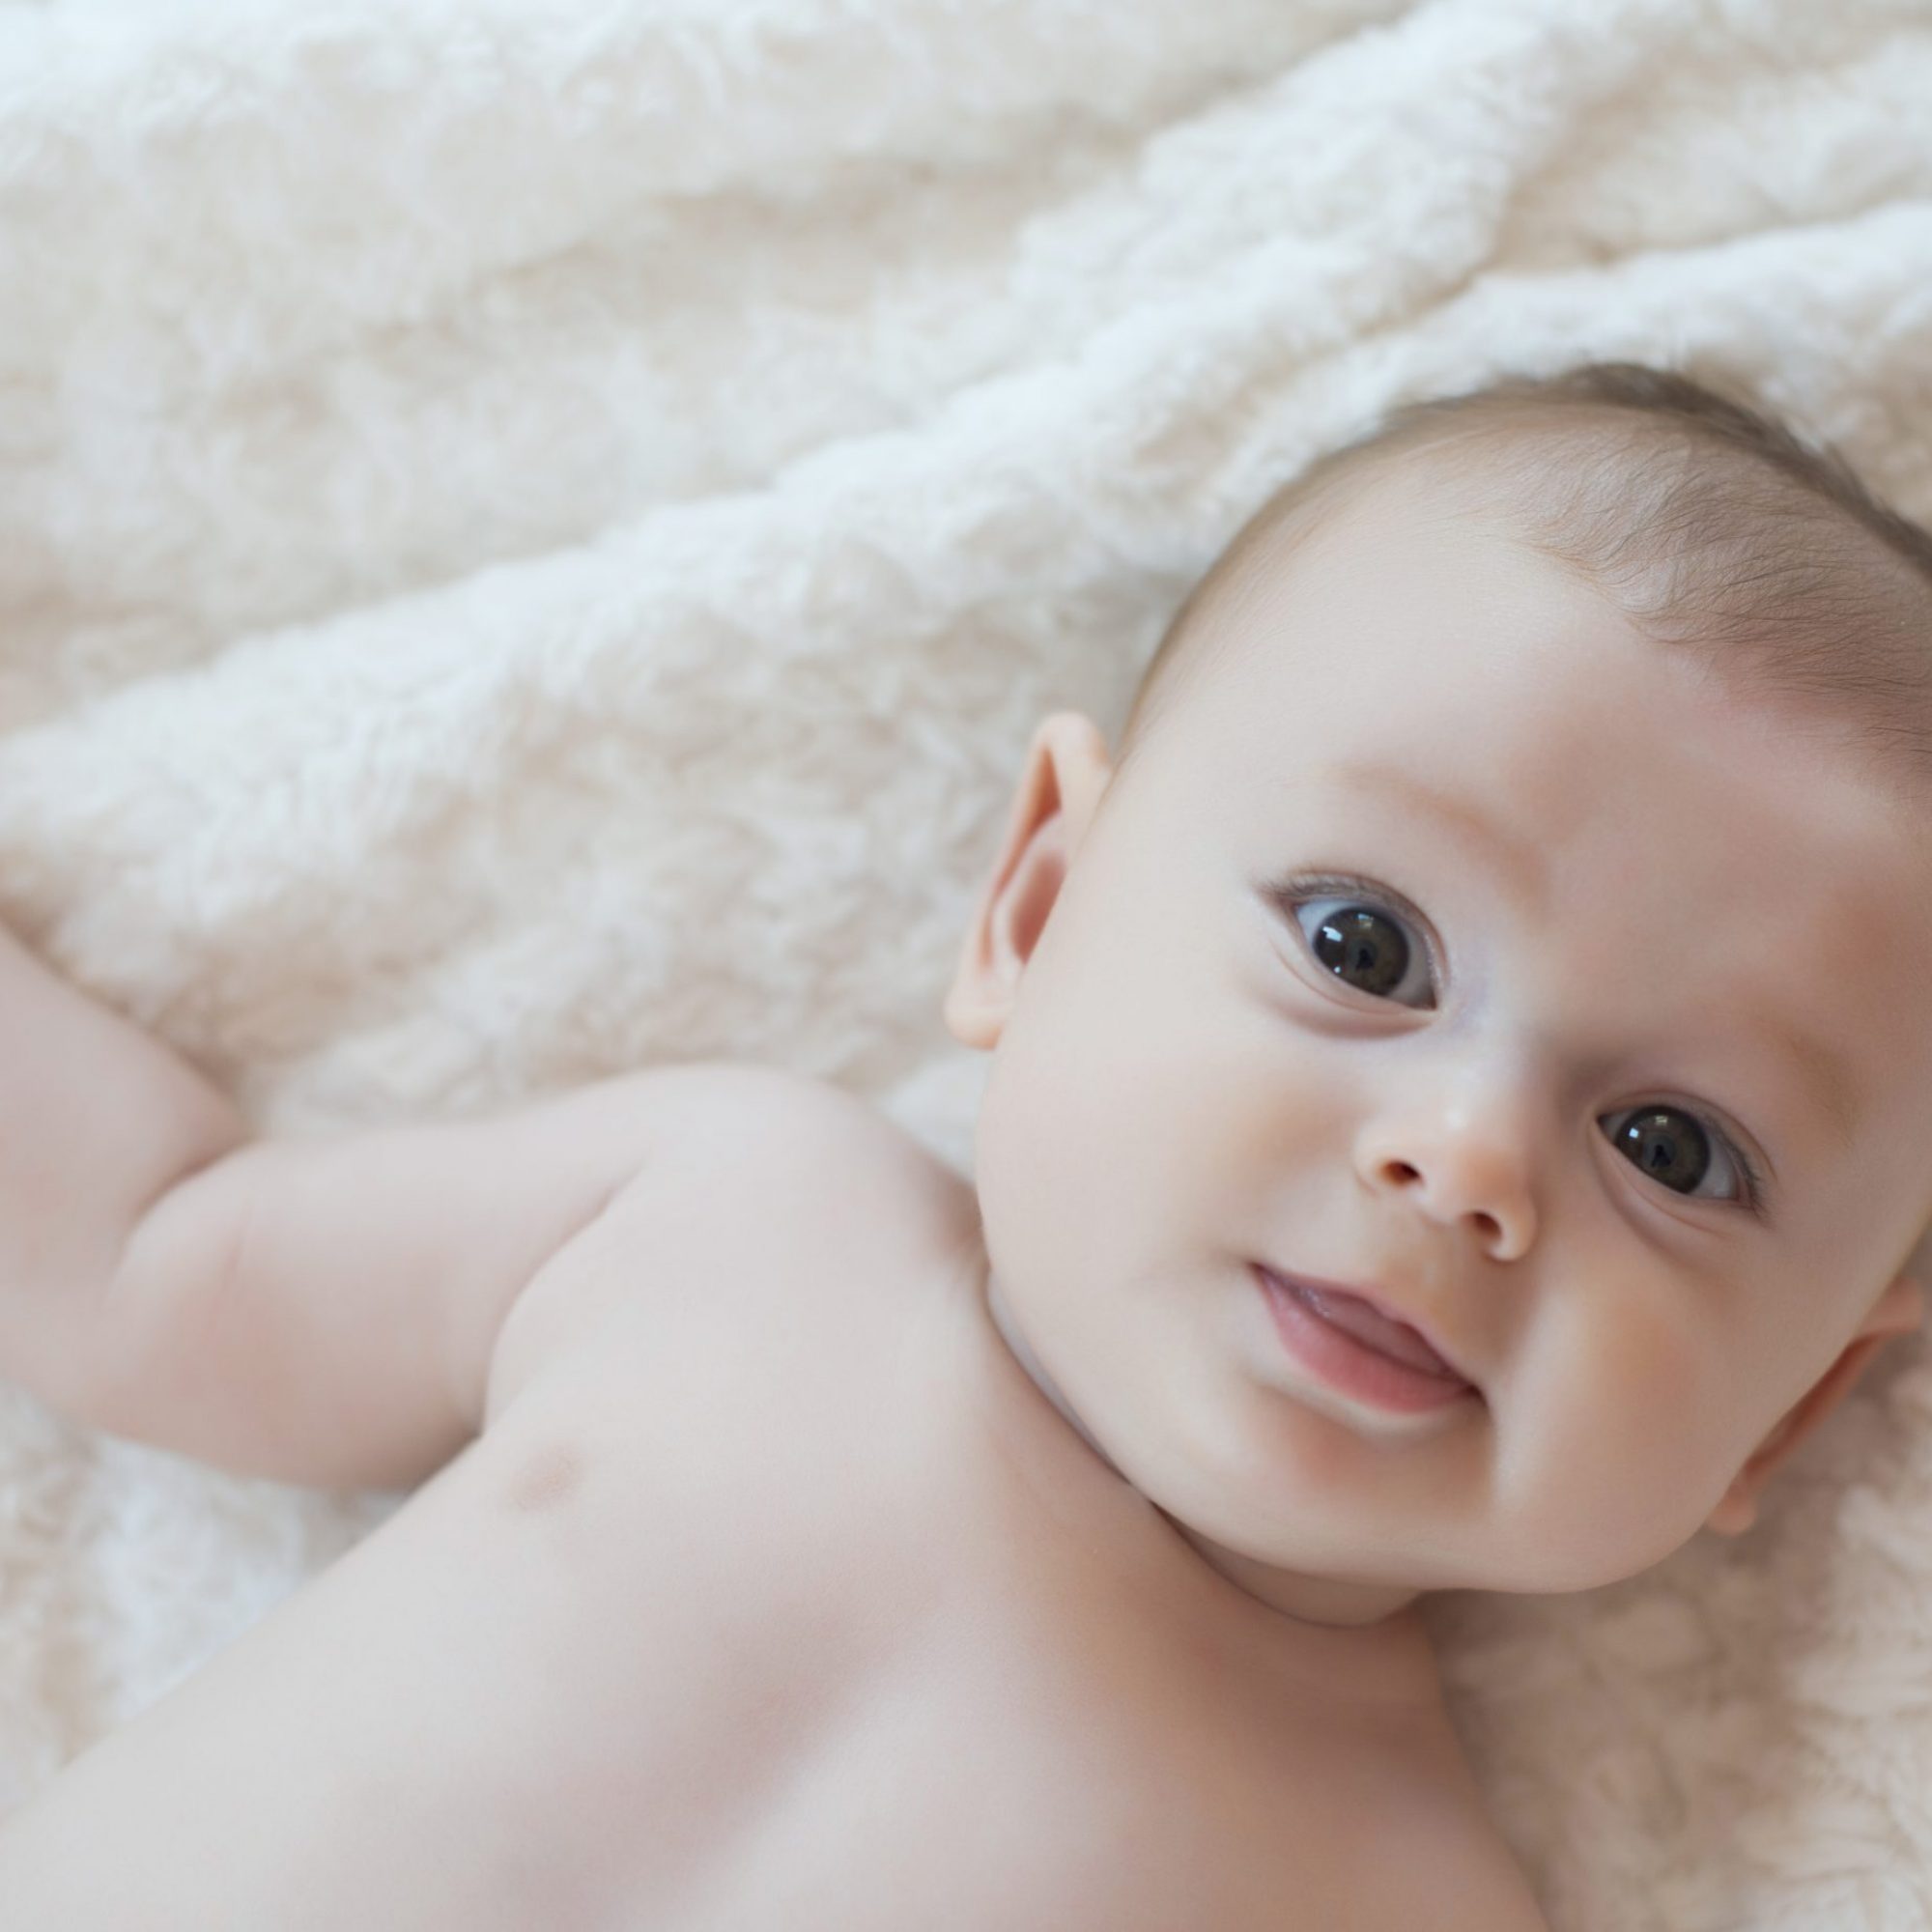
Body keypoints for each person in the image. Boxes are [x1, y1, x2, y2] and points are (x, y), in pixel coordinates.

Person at [2, 358, 1926, 1928]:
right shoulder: (727, 1216)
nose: (1467, 1159)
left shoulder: (1400, 1896)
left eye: (1674, 1148)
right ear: (1038, 903)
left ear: (1782, 1410)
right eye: (1366, 948)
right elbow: (149, 1254)